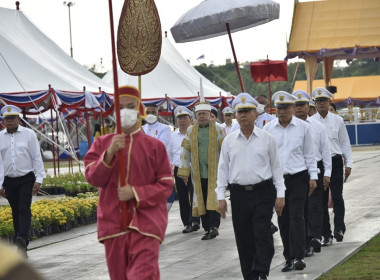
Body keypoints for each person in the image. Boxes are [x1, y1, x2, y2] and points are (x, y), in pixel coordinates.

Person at [84, 86, 173, 280]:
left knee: (142, 275)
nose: (125, 112)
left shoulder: (154, 146)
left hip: (147, 223)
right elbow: (93, 178)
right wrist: (109, 154)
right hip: (113, 223)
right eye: (121, 107)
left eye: (131, 106)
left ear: (139, 109)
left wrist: (136, 192)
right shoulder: (101, 144)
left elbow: (166, 184)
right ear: (115, 111)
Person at [217, 93, 285, 280]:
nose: (243, 115)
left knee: (262, 232)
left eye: (247, 111)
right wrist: (220, 196)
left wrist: (280, 194)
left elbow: (276, 168)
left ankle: (261, 270)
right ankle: (249, 275)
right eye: (240, 112)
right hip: (239, 194)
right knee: (244, 236)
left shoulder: (267, 138)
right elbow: (222, 170)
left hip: (263, 192)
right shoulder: (229, 141)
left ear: (256, 114)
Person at [263, 91, 318, 272]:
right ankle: (288, 257)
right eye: (279, 108)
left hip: (298, 178)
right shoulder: (268, 129)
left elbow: (310, 154)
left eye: (286, 108)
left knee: (297, 217)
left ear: (293, 108)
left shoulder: (303, 127)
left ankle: (298, 256)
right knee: (283, 219)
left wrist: (313, 176)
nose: (282, 111)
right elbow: (264, 157)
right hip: (278, 181)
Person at [0, 105, 45, 258]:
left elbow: (36, 157)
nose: (9, 121)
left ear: (19, 119)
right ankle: (22, 246)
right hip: (9, 180)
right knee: (15, 210)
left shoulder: (29, 134)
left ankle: (21, 238)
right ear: (3, 121)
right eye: (6, 119)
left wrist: (39, 179)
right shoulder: (0, 137)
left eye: (12, 118)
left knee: (24, 209)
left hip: (26, 178)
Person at [178, 99, 224, 240]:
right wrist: (185, 172)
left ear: (210, 114)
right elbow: (185, 151)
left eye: (204, 114)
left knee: (213, 198)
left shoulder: (218, 129)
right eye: (199, 114)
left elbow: (225, 150)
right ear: (196, 116)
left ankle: (214, 226)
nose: (202, 116)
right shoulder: (191, 130)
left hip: (214, 172)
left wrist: (226, 170)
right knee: (202, 199)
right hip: (198, 173)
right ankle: (206, 228)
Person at [292, 90, 332, 257]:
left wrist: (327, 173)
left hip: (315, 168)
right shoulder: (287, 127)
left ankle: (314, 237)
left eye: (303, 104)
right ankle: (306, 241)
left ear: (309, 106)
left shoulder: (318, 126)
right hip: (296, 171)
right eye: (297, 105)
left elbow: (325, 151)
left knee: (315, 205)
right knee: (300, 208)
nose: (300, 108)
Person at [311, 87, 353, 245]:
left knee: (337, 196)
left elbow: (345, 143)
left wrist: (348, 163)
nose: (321, 104)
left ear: (329, 102)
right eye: (318, 101)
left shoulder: (338, 120)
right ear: (314, 103)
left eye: (324, 101)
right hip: (319, 164)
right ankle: (326, 234)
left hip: (335, 161)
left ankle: (339, 229)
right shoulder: (311, 122)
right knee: (321, 200)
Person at [167, 106, 200, 234]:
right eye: (179, 118)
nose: (182, 120)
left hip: (194, 168)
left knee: (195, 195)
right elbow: (169, 154)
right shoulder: (172, 136)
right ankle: (187, 222)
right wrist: (170, 171)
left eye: (185, 117)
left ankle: (195, 220)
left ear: (191, 119)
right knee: (183, 197)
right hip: (179, 169)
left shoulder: (195, 133)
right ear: (176, 121)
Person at [142, 103, 174, 209]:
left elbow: (160, 146)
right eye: (147, 112)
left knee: (166, 201)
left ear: (158, 114)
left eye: (153, 112)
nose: (150, 115)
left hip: (161, 169)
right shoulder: (141, 128)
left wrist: (143, 139)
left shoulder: (165, 129)